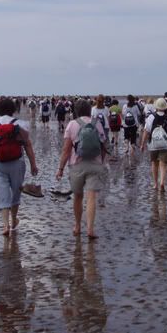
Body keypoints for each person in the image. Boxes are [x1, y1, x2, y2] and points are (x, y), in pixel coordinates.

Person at [0, 97, 38, 237]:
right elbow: (27, 145)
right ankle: (14, 220)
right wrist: (33, 164)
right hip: (17, 162)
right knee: (16, 191)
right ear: (14, 109)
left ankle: (5, 225)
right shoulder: (20, 124)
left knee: (2, 191)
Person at [56, 98, 107, 239]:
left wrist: (60, 169)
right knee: (91, 197)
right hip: (95, 165)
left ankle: (77, 226)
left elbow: (66, 150)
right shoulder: (97, 123)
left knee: (78, 197)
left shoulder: (72, 124)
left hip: (76, 165)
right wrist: (101, 163)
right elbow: (103, 147)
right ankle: (90, 229)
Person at [140, 98, 167, 191]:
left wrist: (142, 144)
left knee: (154, 164)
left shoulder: (151, 117)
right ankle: (162, 183)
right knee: (163, 165)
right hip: (165, 144)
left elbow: (146, 131)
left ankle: (155, 184)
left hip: (153, 144)